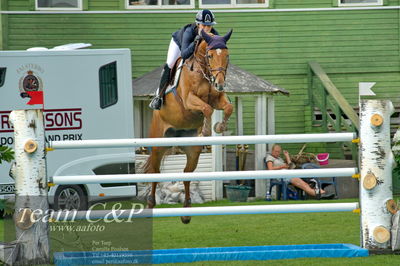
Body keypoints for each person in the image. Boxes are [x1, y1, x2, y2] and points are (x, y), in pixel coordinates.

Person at [149, 9, 219, 110]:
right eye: (204, 25)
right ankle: (158, 97)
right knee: (170, 63)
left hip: (193, 50)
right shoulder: (189, 32)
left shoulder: (214, 33)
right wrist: (196, 41)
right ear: (198, 24)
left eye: (209, 26)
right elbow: (184, 54)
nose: (207, 29)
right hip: (179, 45)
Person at [266, 144, 334, 199]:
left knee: (307, 183)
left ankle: (323, 193)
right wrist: (282, 167)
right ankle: (321, 194)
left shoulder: (279, 159)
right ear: (272, 151)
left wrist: (287, 156)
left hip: (289, 173)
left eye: (278, 151)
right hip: (282, 176)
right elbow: (270, 169)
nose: (277, 153)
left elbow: (291, 166)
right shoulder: (270, 158)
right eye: (276, 151)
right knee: (304, 185)